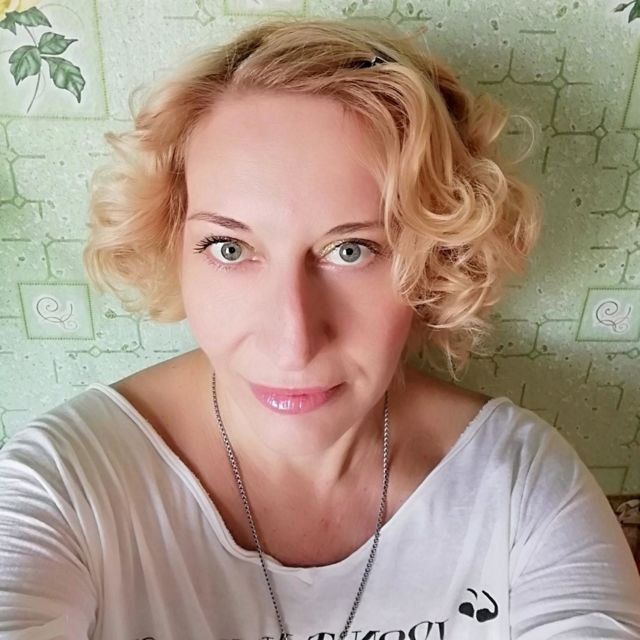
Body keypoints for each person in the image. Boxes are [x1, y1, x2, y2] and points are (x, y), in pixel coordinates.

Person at [0, 15, 639, 640]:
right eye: (229, 248)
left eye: (352, 250)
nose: (293, 341)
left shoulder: (522, 491)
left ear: (434, 260)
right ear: (173, 244)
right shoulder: (62, 486)